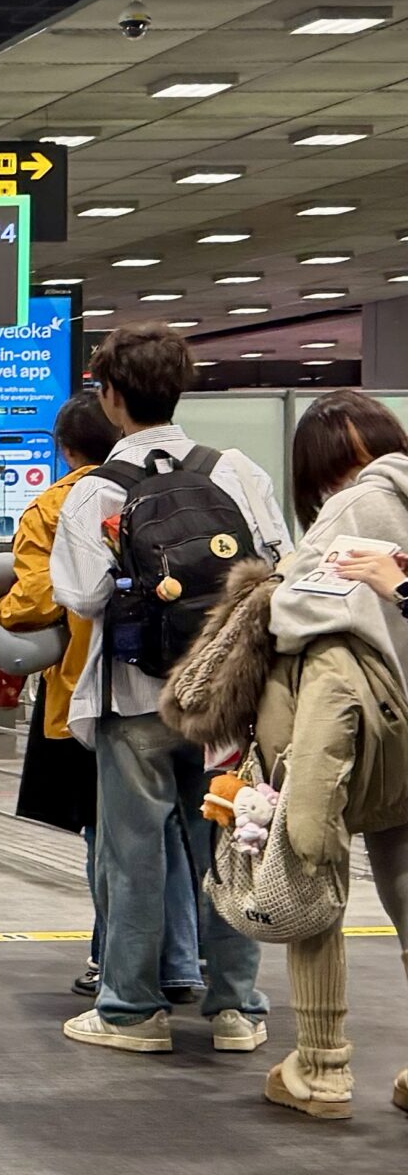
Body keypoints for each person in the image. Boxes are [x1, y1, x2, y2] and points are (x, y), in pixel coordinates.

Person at [52, 321, 287, 1054]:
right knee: (231, 844)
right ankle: (237, 1009)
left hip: (133, 695)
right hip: (226, 699)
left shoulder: (94, 492)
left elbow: (82, 595)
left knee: (132, 855)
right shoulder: (237, 471)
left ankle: (132, 1011)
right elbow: (279, 567)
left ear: (110, 396)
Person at [226, 388, 408, 1118]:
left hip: (354, 732)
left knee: (310, 868)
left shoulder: (350, 506)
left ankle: (322, 1069)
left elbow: (298, 613)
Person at [0, 394, 204, 1003]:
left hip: (96, 687)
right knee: (180, 828)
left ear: (64, 449)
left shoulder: (60, 503)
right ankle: (185, 962)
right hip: (191, 679)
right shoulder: (186, 481)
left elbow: (41, 598)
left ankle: (113, 962)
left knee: (110, 833)